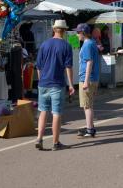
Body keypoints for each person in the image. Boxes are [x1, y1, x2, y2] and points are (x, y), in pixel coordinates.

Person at [35, 20, 75, 151]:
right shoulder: (66, 46)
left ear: (54, 29)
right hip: (57, 83)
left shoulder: (44, 45)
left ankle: (39, 139)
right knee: (56, 113)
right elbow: (68, 67)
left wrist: (41, 80)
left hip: (43, 83)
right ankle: (56, 143)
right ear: (63, 31)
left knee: (43, 111)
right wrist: (71, 84)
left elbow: (39, 67)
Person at [76, 23, 100, 138]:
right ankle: (90, 126)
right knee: (89, 104)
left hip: (87, 78)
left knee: (87, 105)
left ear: (83, 33)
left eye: (78, 32)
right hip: (92, 78)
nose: (77, 35)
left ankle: (90, 129)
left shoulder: (87, 45)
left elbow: (89, 62)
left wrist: (85, 81)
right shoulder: (92, 43)